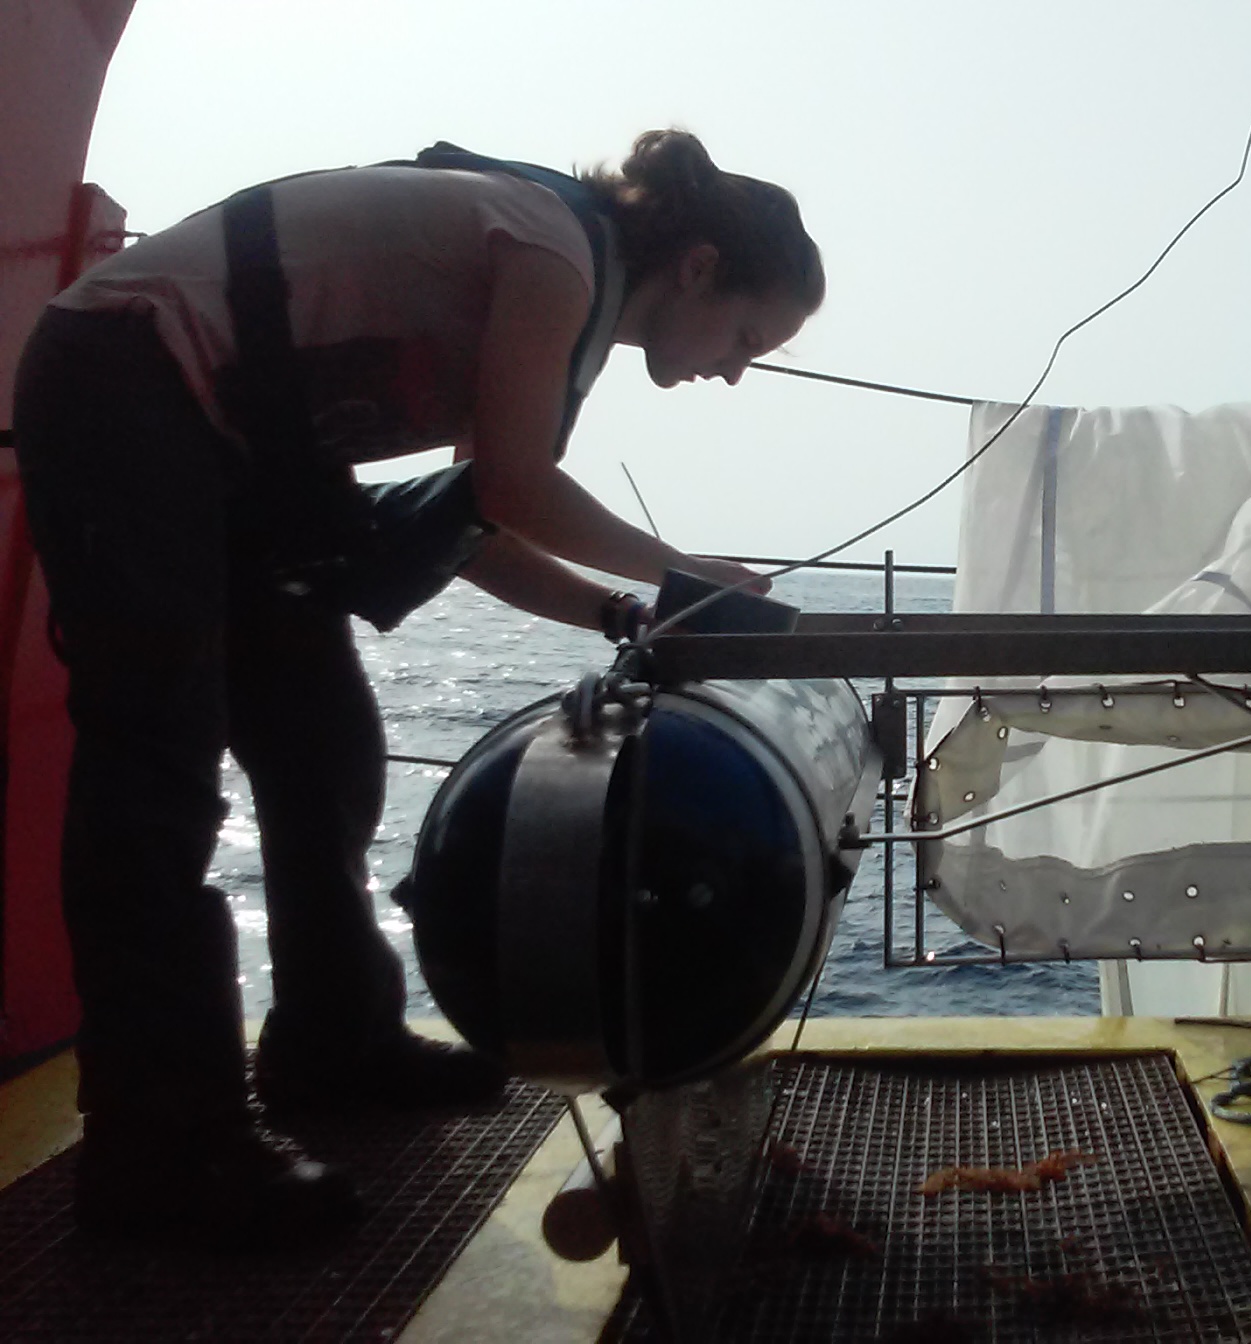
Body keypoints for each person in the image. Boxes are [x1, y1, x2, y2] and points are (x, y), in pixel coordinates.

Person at [9, 129, 819, 1248]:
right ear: (696, 268)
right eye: (747, 336)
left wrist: (623, 614)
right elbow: (515, 484)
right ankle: (162, 1146)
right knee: (155, 765)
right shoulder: (553, 254)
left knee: (322, 742)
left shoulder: (568, 311)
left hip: (232, 443)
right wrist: (681, 569)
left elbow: (474, 524)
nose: (734, 368)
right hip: (125, 379)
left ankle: (333, 1041)